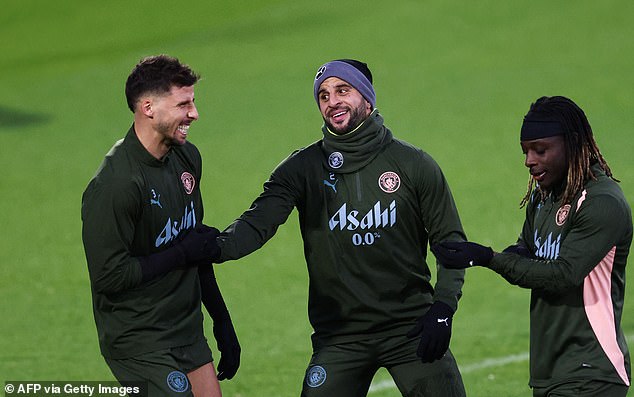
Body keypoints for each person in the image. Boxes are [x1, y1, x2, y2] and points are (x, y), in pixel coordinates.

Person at [215, 59, 467, 396]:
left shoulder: (413, 165)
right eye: (323, 95)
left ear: (367, 97)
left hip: (410, 328)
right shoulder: (302, 168)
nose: (332, 101)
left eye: (342, 90)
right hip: (340, 337)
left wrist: (443, 308)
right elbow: (257, 223)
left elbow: (450, 241)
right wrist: (215, 246)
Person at [432, 96, 632, 396]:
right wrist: (472, 254)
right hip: (550, 370)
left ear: (573, 144)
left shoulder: (602, 204)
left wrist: (488, 258)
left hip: (591, 368)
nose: (529, 161)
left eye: (540, 150)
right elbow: (527, 254)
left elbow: (563, 274)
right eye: (525, 151)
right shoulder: (543, 197)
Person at [81, 54, 240, 396]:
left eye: (193, 102)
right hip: (139, 338)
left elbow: (194, 246)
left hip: (186, 327)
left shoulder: (186, 158)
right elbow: (110, 276)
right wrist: (181, 252)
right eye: (184, 104)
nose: (194, 114)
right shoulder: (116, 184)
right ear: (149, 108)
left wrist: (221, 320)